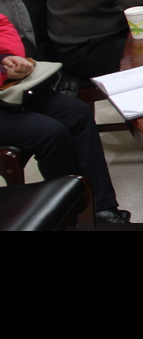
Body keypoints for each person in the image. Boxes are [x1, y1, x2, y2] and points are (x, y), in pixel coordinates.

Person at [0, 14, 131, 222]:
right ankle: (70, 215)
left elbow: (2, 24)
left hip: (7, 86)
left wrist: (8, 57)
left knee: (77, 112)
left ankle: (102, 208)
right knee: (49, 133)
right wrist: (3, 72)